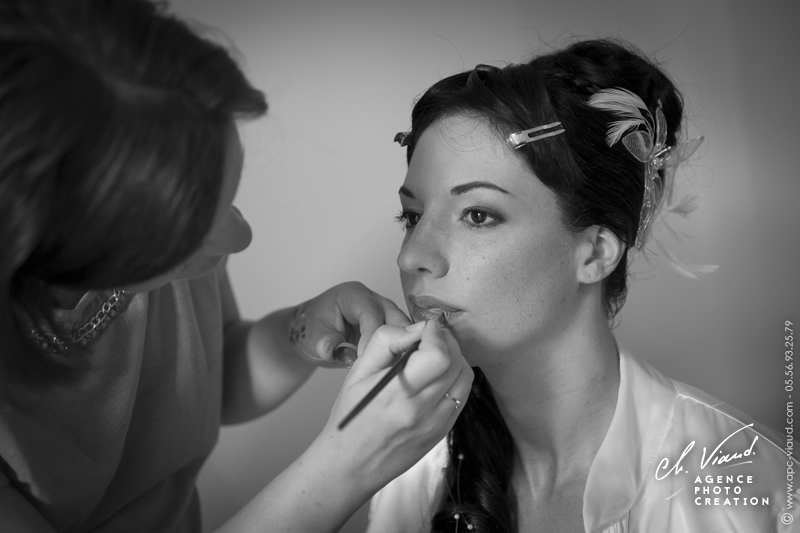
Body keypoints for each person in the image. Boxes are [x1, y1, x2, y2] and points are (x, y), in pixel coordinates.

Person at [0, 0, 474, 531]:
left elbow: (209, 379)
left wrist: (297, 334)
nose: (240, 237)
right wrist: (348, 464)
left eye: (227, 198)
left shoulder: (167, 250)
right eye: (193, 227)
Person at [367, 39, 799, 533]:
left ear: (594, 252)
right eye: (413, 216)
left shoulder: (744, 493)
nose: (412, 256)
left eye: (479, 215)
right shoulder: (411, 468)